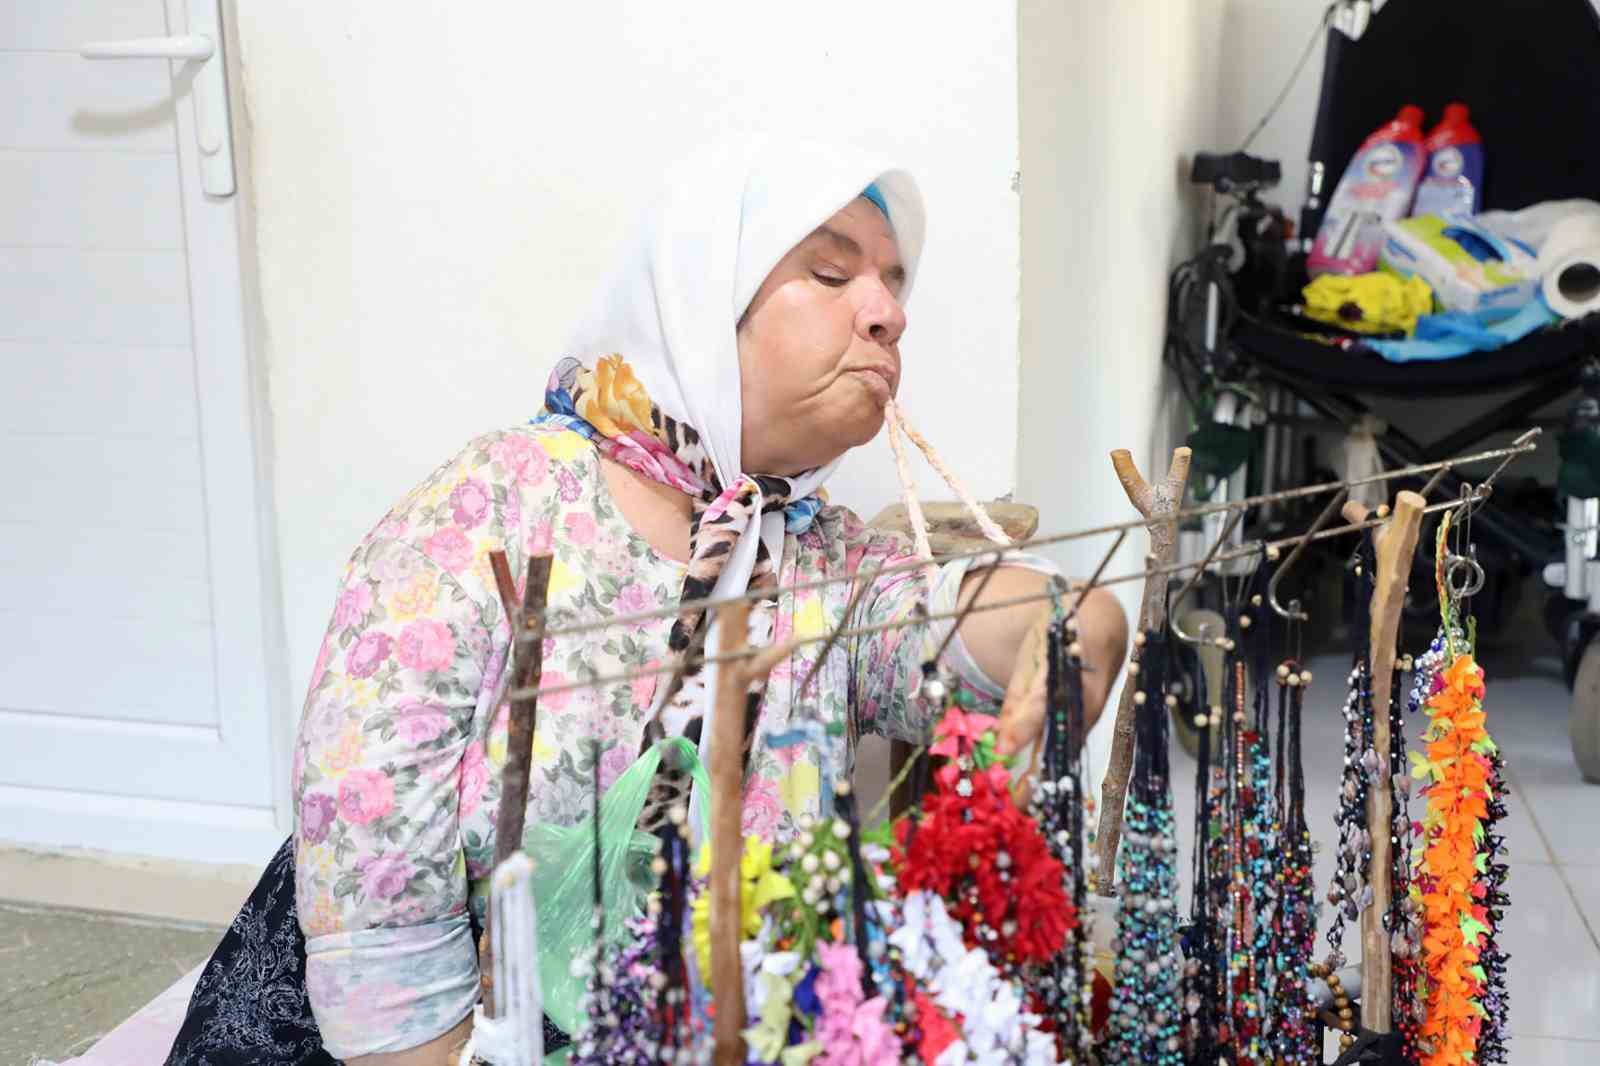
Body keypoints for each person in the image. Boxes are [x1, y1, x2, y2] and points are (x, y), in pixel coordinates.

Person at [165, 140, 1127, 1066]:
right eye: (833, 274)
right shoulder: (497, 504)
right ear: (702, 301)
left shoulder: (819, 561)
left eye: (894, 285)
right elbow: (368, 841)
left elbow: (991, 630)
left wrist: (1083, 626)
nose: (887, 315)